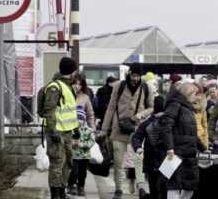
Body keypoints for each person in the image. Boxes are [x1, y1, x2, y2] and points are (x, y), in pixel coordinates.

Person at [101, 65, 154, 199]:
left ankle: (141, 187)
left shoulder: (146, 87)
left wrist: (141, 114)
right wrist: (104, 129)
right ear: (129, 74)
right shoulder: (119, 86)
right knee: (118, 162)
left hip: (137, 130)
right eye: (133, 75)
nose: (135, 78)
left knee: (138, 160)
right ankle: (118, 190)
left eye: (138, 76)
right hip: (118, 129)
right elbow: (111, 107)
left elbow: (151, 107)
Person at [43, 57, 80, 199]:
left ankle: (62, 189)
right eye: (75, 70)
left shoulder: (68, 86)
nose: (76, 73)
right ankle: (56, 194)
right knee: (57, 163)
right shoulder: (55, 87)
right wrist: (53, 131)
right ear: (71, 71)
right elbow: (49, 111)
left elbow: (70, 111)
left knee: (68, 162)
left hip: (68, 132)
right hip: (57, 132)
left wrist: (75, 130)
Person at [160, 82, 205, 199]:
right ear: (187, 93)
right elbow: (166, 126)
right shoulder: (175, 105)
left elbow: (191, 133)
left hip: (189, 154)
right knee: (174, 186)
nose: (196, 97)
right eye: (194, 94)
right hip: (175, 153)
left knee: (190, 188)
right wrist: (169, 148)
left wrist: (203, 147)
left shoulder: (189, 108)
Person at [131, 96, 167, 199]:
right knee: (160, 187)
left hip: (154, 159)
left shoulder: (146, 123)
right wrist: (137, 147)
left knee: (156, 186)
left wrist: (138, 147)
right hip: (162, 159)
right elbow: (137, 138)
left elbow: (136, 137)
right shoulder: (169, 122)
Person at [67, 107, 96, 197]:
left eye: (80, 119)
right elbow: (67, 140)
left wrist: (82, 144)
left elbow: (92, 141)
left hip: (85, 156)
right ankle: (71, 185)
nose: (78, 121)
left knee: (83, 173)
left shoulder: (88, 130)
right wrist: (71, 143)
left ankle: (81, 187)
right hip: (74, 155)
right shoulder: (71, 130)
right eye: (77, 119)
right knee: (74, 171)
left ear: (84, 120)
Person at [192, 83, 209, 149]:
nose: (198, 97)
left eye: (200, 95)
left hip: (200, 140)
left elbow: (205, 127)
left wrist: (205, 145)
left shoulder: (202, 108)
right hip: (189, 141)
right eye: (196, 94)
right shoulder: (185, 107)